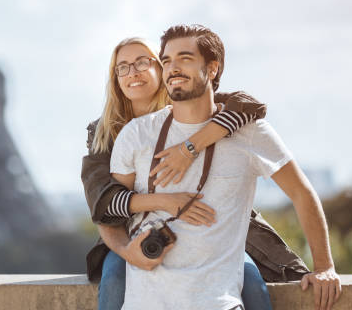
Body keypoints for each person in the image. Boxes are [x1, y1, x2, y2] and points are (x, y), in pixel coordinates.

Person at [110, 25, 341, 310]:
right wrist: (127, 250)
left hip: (217, 303)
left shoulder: (251, 132)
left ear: (213, 68)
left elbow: (302, 193)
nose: (173, 68)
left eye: (185, 58)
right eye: (167, 60)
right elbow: (108, 208)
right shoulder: (137, 134)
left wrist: (324, 266)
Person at [81, 37, 274, 310]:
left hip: (210, 229)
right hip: (132, 234)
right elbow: (103, 202)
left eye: (142, 62)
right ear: (115, 78)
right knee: (114, 279)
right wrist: (163, 206)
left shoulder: (190, 107)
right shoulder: (104, 133)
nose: (132, 72)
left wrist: (191, 146)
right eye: (122, 67)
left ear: (162, 69)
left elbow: (249, 106)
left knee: (252, 282)